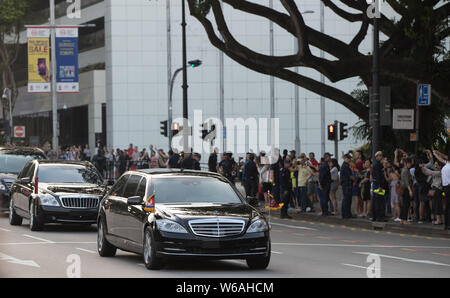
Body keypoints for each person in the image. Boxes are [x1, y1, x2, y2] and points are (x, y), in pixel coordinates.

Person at [372, 151, 387, 222]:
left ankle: (376, 216)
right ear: (377, 157)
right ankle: (379, 217)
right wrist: (380, 186)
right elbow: (378, 176)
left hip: (377, 185)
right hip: (378, 185)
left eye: (381, 155)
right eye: (380, 155)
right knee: (379, 201)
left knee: (377, 201)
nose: (381, 157)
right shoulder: (378, 165)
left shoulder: (378, 165)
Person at [340, 154, 353, 219]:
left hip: (345, 184)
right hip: (347, 184)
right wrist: (355, 179)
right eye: (348, 158)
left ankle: (345, 214)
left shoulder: (344, 165)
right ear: (345, 158)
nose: (349, 160)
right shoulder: (345, 166)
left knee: (346, 199)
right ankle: (346, 214)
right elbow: (350, 176)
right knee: (347, 200)